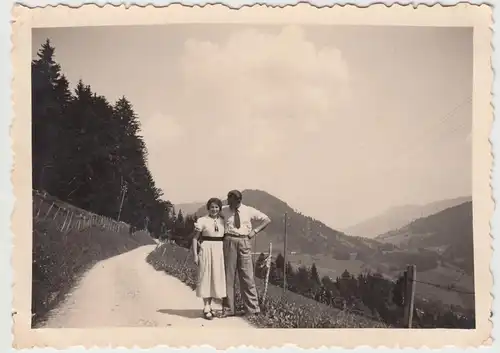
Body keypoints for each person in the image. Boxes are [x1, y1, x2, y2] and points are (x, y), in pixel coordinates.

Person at [221, 189, 271, 317]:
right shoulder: (224, 210)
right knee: (228, 276)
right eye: (228, 200)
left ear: (239, 201)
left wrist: (254, 231)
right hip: (229, 241)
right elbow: (212, 217)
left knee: (247, 276)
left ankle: (252, 310)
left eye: (231, 201)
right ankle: (228, 309)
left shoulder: (248, 210)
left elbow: (266, 220)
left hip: (244, 241)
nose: (229, 203)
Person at [192, 198, 227, 320]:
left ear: (220, 208)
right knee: (206, 276)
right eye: (212, 207)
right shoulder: (202, 221)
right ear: (208, 208)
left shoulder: (223, 221)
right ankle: (206, 306)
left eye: (217, 207)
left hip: (219, 250)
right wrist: (195, 255)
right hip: (206, 249)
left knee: (215, 277)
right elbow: (195, 239)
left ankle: (210, 305)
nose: (214, 209)